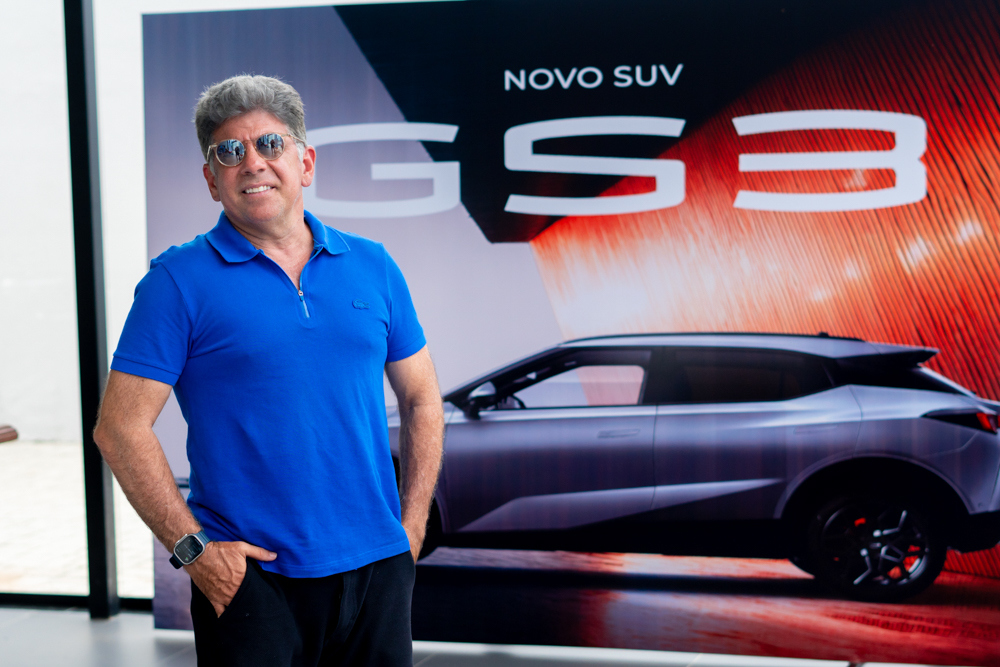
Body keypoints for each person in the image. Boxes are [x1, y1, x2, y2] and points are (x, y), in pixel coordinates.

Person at [93, 74, 444, 666]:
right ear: (212, 180)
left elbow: (422, 399)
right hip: (251, 581)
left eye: (270, 144)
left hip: (378, 569)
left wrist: (409, 530)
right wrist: (195, 551)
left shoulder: (374, 265)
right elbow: (119, 428)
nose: (252, 162)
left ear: (305, 163)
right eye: (229, 151)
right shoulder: (176, 282)